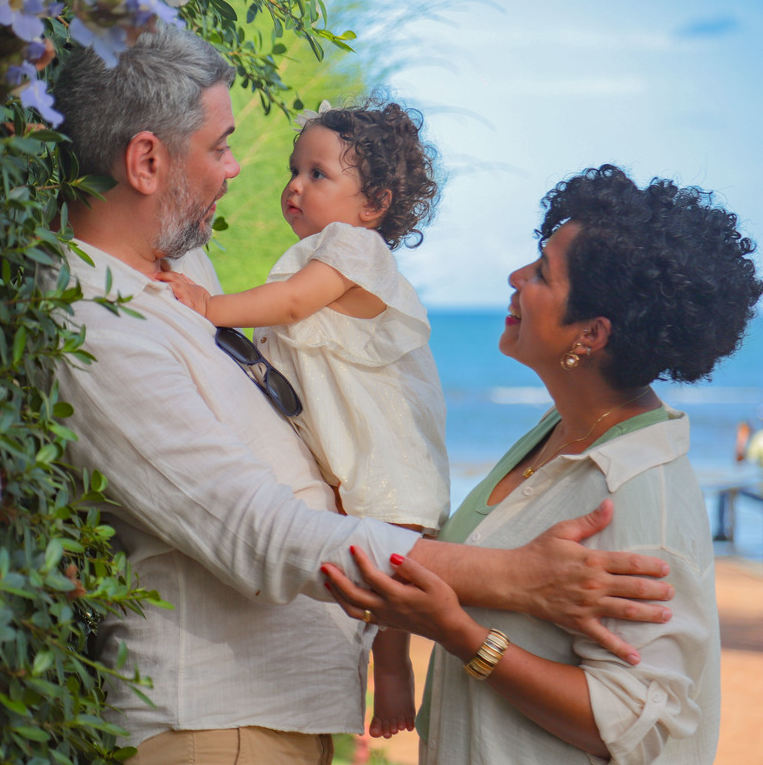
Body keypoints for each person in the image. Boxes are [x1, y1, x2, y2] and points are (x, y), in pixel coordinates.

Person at [50, 26, 672, 765]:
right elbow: (255, 531)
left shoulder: (178, 271)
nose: (238, 168)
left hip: (271, 718)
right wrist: (512, 577)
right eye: (219, 146)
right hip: (214, 725)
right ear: (147, 161)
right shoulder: (97, 318)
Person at [325, 165, 763, 764]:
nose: (514, 278)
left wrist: (459, 634)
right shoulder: (559, 433)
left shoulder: (634, 490)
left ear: (591, 334)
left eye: (541, 274)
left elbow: (634, 724)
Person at [158, 97, 447, 741]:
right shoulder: (323, 252)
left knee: (390, 573)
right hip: (352, 453)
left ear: (373, 204)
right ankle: (389, 670)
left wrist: (209, 304)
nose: (294, 186)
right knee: (380, 575)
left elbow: (289, 306)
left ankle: (395, 674)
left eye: (319, 175)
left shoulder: (354, 247)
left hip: (386, 450)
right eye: (295, 170)